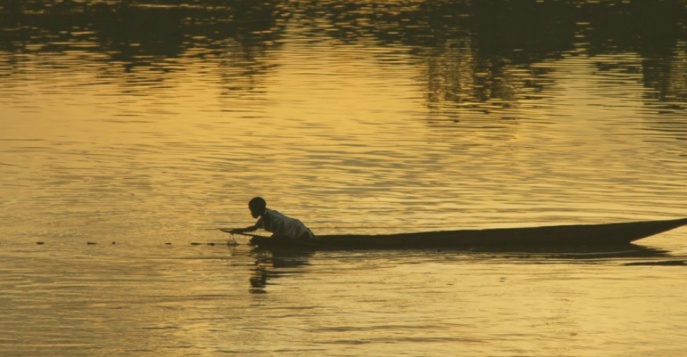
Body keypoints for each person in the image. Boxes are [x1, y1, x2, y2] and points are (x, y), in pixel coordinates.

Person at [224, 197, 315, 240]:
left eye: (252, 210)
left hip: (300, 233)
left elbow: (279, 236)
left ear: (258, 209)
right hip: (291, 233)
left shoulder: (277, 220)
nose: (251, 213)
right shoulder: (264, 217)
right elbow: (254, 228)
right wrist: (236, 230)